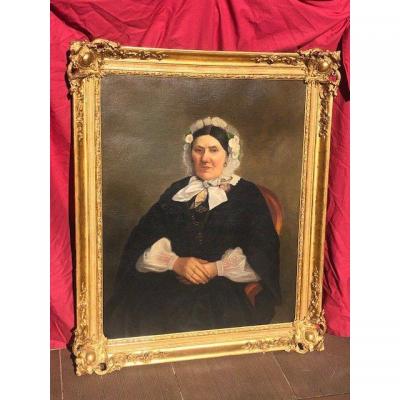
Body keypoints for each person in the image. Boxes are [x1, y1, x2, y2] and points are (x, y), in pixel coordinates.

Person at [105, 117, 281, 338]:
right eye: (199, 150)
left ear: (228, 155)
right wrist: (175, 262)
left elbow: (264, 252)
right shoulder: (177, 190)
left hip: (220, 287)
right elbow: (142, 238)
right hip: (169, 279)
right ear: (190, 154)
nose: (205, 158)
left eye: (214, 150)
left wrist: (215, 268)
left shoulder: (247, 193)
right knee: (131, 316)